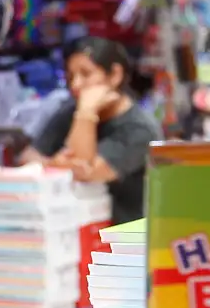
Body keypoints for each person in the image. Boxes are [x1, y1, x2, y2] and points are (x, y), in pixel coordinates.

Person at [22, 36, 159, 223]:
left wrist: (87, 113)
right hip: (75, 232)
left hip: (125, 240)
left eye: (86, 74)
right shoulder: (70, 111)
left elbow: (86, 173)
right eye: (70, 77)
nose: (75, 85)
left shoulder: (139, 129)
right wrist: (52, 164)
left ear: (115, 75)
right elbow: (28, 157)